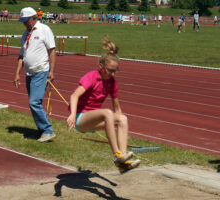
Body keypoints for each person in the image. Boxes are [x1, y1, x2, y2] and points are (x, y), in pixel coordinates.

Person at [66, 36, 140, 174]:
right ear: (101, 66)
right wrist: (72, 114)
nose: (112, 74)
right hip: (80, 119)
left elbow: (117, 109)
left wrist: (123, 130)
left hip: (95, 120)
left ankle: (123, 162)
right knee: (107, 112)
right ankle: (116, 155)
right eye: (110, 70)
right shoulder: (92, 77)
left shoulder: (112, 82)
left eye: (115, 71)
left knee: (123, 118)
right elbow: (74, 95)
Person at [14, 7, 56, 142]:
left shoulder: (44, 29)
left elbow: (52, 51)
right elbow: (22, 55)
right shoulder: (25, 34)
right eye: (23, 21)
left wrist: (52, 71)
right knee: (35, 103)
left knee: (34, 102)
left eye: (26, 21)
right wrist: (17, 73)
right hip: (29, 73)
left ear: (33, 18)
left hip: (41, 71)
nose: (24, 24)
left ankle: (48, 131)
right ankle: (41, 131)